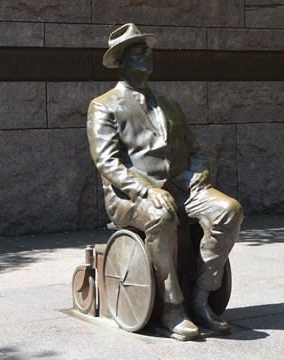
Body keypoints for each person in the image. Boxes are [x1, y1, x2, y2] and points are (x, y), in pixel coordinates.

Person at [87, 23, 243, 337]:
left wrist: (200, 174)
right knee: (162, 214)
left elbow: (195, 150)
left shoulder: (171, 105)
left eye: (148, 50)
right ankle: (172, 307)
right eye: (137, 51)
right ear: (119, 61)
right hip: (131, 197)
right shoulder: (104, 106)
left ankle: (201, 296)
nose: (147, 56)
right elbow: (107, 162)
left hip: (182, 188)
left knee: (229, 209)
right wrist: (145, 190)